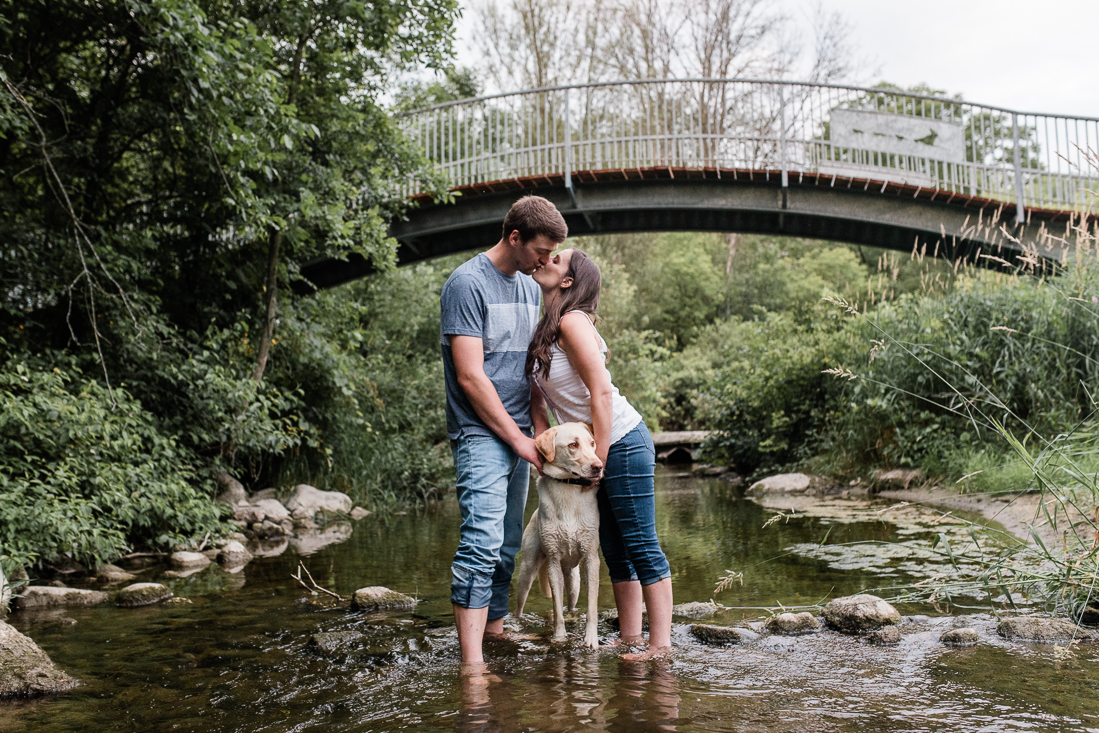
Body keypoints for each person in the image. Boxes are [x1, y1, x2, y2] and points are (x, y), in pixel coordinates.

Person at [527, 247, 674, 660]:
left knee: (641, 544)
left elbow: (602, 393)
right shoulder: (553, 326)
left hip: (621, 442)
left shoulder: (571, 322)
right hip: (592, 450)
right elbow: (545, 407)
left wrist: (599, 460)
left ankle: (660, 647)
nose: (545, 260)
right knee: (613, 547)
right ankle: (630, 637)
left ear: (569, 281)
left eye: (556, 260)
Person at [440, 195, 568, 665]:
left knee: (508, 543)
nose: (547, 262)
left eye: (554, 254)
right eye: (542, 251)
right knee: (482, 539)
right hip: (481, 433)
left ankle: (493, 632)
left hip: (520, 434)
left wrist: (537, 429)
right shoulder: (466, 284)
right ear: (514, 237)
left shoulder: (530, 288)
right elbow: (471, 376)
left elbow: (529, 370)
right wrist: (515, 439)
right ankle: (471, 666)